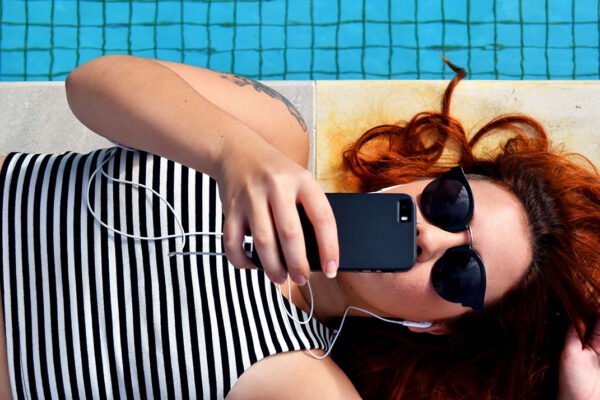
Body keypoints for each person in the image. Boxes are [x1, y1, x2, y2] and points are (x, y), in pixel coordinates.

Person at [0, 55, 597, 399]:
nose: (430, 237)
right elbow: (90, 84)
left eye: (460, 273)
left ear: (433, 327)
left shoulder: (305, 381)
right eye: (449, 203)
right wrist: (233, 152)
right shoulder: (277, 136)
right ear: (422, 182)